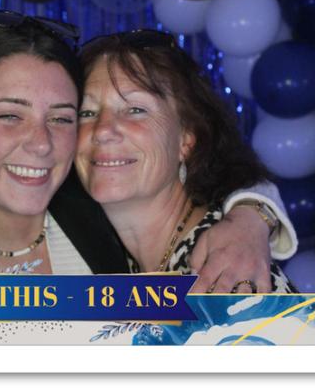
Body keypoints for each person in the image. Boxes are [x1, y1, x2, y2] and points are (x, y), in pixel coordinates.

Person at [0, 9, 296, 293]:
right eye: (10, 115)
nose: (41, 142)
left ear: (187, 139)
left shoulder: (224, 271)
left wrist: (251, 217)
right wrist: (254, 214)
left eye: (62, 117)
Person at [75, 30, 295, 292]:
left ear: (186, 140)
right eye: (86, 113)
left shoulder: (227, 273)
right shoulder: (115, 262)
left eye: (135, 110)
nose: (102, 130)